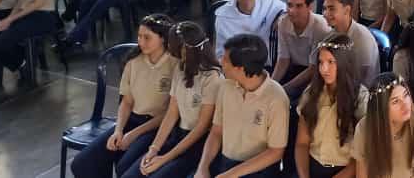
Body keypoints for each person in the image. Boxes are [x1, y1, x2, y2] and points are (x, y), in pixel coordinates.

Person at [71, 14, 177, 178]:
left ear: (162, 38)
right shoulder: (133, 62)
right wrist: (118, 130)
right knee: (81, 163)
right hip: (132, 120)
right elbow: (127, 102)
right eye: (139, 36)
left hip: (156, 126)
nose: (141, 42)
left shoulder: (174, 64)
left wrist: (133, 134)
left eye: (147, 37)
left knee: (124, 166)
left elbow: (170, 113)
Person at [120, 21, 222, 178]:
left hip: (197, 144)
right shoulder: (180, 69)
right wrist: (154, 149)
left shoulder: (212, 78)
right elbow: (171, 113)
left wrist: (164, 159)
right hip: (177, 135)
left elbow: (201, 127)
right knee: (130, 172)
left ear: (186, 49)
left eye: (175, 50)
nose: (172, 53)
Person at [194, 34, 290, 178]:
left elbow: (276, 152)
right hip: (225, 163)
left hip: (258, 170)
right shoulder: (226, 87)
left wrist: (231, 175)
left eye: (225, 60)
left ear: (240, 68)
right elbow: (216, 132)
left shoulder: (277, 98)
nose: (221, 62)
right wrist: (203, 167)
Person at [294, 34, 368, 178]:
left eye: (331, 62)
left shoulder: (361, 98)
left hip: (346, 171)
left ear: (344, 63)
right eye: (321, 62)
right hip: (312, 167)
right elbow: (302, 144)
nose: (324, 69)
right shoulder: (311, 93)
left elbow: (362, 156)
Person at [354, 73, 414, 178]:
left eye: (406, 95)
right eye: (395, 101)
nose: (405, 104)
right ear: (381, 108)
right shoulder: (364, 129)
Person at [272, 0, 332, 97]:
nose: (292, 11)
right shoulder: (283, 22)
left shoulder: (320, 27)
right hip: (294, 68)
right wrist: (271, 84)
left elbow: (313, 68)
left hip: (317, 73)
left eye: (298, 6)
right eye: (289, 5)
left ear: (310, 7)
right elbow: (283, 59)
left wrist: (284, 89)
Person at [212, 0, 285, 60]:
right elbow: (221, 52)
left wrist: (283, 17)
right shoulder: (223, 16)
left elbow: (288, 11)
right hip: (239, 64)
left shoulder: (270, 1)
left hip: (269, 61)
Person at [321, 0, 380, 86]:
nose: (325, 14)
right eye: (324, 9)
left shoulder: (362, 39)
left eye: (331, 9)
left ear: (347, 10)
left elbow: (358, 78)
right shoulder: (331, 34)